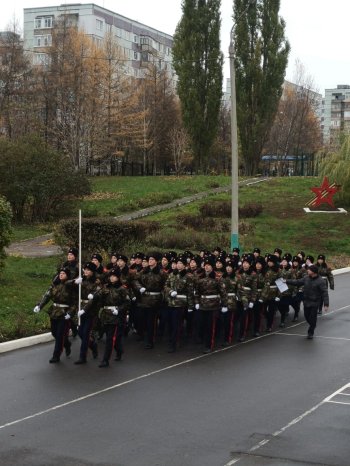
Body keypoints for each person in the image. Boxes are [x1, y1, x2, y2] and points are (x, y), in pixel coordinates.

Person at [83, 268, 130, 367]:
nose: (112, 278)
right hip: (105, 315)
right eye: (111, 276)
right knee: (113, 339)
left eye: (114, 276)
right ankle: (119, 350)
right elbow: (98, 295)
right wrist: (92, 298)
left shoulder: (122, 289)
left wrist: (119, 310)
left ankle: (105, 360)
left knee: (110, 338)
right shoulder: (105, 287)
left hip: (115, 315)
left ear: (118, 277)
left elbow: (127, 302)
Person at [33, 267, 76, 363]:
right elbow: (47, 296)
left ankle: (56, 355)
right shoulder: (55, 284)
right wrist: (39, 306)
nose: (61, 275)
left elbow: (74, 303)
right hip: (54, 312)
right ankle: (67, 344)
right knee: (54, 332)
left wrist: (70, 313)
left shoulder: (70, 287)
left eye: (64, 273)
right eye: (60, 273)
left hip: (64, 313)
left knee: (60, 334)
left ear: (67, 276)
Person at [132, 252, 167, 349]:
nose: (150, 261)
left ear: (156, 261)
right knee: (141, 318)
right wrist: (139, 288)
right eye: (149, 260)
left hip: (155, 300)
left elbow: (166, 285)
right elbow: (135, 280)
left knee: (151, 321)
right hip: (143, 299)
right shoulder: (144, 271)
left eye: (152, 259)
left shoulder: (161, 272)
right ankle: (142, 335)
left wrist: (162, 296)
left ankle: (150, 340)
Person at [286, 264, 329, 339]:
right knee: (307, 316)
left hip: (315, 302)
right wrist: (286, 281)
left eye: (309, 270)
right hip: (306, 301)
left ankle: (311, 332)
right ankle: (313, 324)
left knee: (312, 317)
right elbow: (297, 282)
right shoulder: (306, 278)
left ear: (313, 271)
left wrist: (326, 304)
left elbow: (324, 293)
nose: (307, 270)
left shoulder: (320, 281)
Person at [194, 256, 227, 353]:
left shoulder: (217, 278)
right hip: (203, 305)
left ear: (212, 267)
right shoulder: (200, 277)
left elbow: (223, 292)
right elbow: (197, 292)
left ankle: (209, 345)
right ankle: (204, 341)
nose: (207, 267)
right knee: (202, 324)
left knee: (210, 326)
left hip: (213, 306)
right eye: (205, 265)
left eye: (209, 265)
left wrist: (224, 304)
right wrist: (197, 302)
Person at [164, 255, 194, 352]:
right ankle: (171, 340)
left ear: (185, 266)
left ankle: (174, 343)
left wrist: (190, 306)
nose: (178, 265)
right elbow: (166, 285)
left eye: (181, 263)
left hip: (180, 303)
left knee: (177, 324)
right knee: (170, 323)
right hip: (170, 303)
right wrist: (170, 291)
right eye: (177, 263)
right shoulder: (172, 274)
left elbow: (190, 292)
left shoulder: (188, 277)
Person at [74, 262, 100, 364]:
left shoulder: (96, 283)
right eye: (85, 269)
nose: (85, 271)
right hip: (81, 308)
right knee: (80, 332)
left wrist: (84, 310)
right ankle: (93, 345)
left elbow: (94, 298)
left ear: (92, 272)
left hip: (90, 311)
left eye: (88, 270)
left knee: (85, 334)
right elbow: (68, 284)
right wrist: (75, 282)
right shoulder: (82, 280)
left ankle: (82, 357)